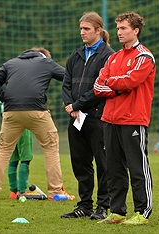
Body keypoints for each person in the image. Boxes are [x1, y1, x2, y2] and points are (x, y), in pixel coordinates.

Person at [0, 47, 72, 201]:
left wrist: (3, 98)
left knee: (3, 150)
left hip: (11, 112)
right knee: (51, 148)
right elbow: (68, 76)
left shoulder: (10, 63)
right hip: (37, 111)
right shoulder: (46, 61)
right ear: (44, 56)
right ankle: (55, 192)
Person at [93, 12, 156, 225]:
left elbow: (131, 81)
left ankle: (142, 212)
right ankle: (117, 212)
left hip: (133, 120)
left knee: (137, 167)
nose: (119, 32)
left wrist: (112, 83)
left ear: (135, 30)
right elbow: (98, 86)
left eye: (124, 29)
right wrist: (115, 85)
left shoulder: (144, 56)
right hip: (110, 119)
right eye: (118, 28)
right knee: (114, 168)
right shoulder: (113, 57)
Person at [61, 12, 114, 219]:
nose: (82, 32)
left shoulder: (108, 56)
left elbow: (101, 87)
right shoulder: (75, 56)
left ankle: (103, 207)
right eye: (81, 28)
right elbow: (66, 83)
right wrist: (70, 106)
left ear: (98, 31)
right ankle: (84, 206)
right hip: (75, 118)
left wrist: (78, 104)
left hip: (98, 118)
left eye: (86, 29)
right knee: (80, 162)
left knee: (103, 163)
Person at [0, 101, 34, 199]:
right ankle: (22, 191)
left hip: (8, 128)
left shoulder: (4, 96)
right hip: (23, 128)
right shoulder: (22, 93)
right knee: (25, 160)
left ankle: (13, 191)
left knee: (13, 160)